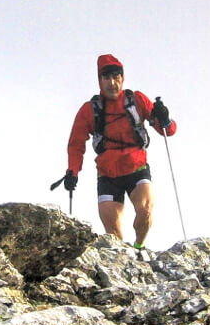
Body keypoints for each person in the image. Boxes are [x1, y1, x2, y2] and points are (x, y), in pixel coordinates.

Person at [63, 54, 176, 249]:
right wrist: (73, 171)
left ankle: (139, 247)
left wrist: (164, 118)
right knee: (112, 235)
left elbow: (168, 131)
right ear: (100, 80)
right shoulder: (89, 110)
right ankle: (124, 259)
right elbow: (76, 143)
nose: (112, 83)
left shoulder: (137, 100)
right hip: (108, 175)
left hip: (136, 168)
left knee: (145, 211)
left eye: (116, 77)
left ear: (122, 78)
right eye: (106, 78)